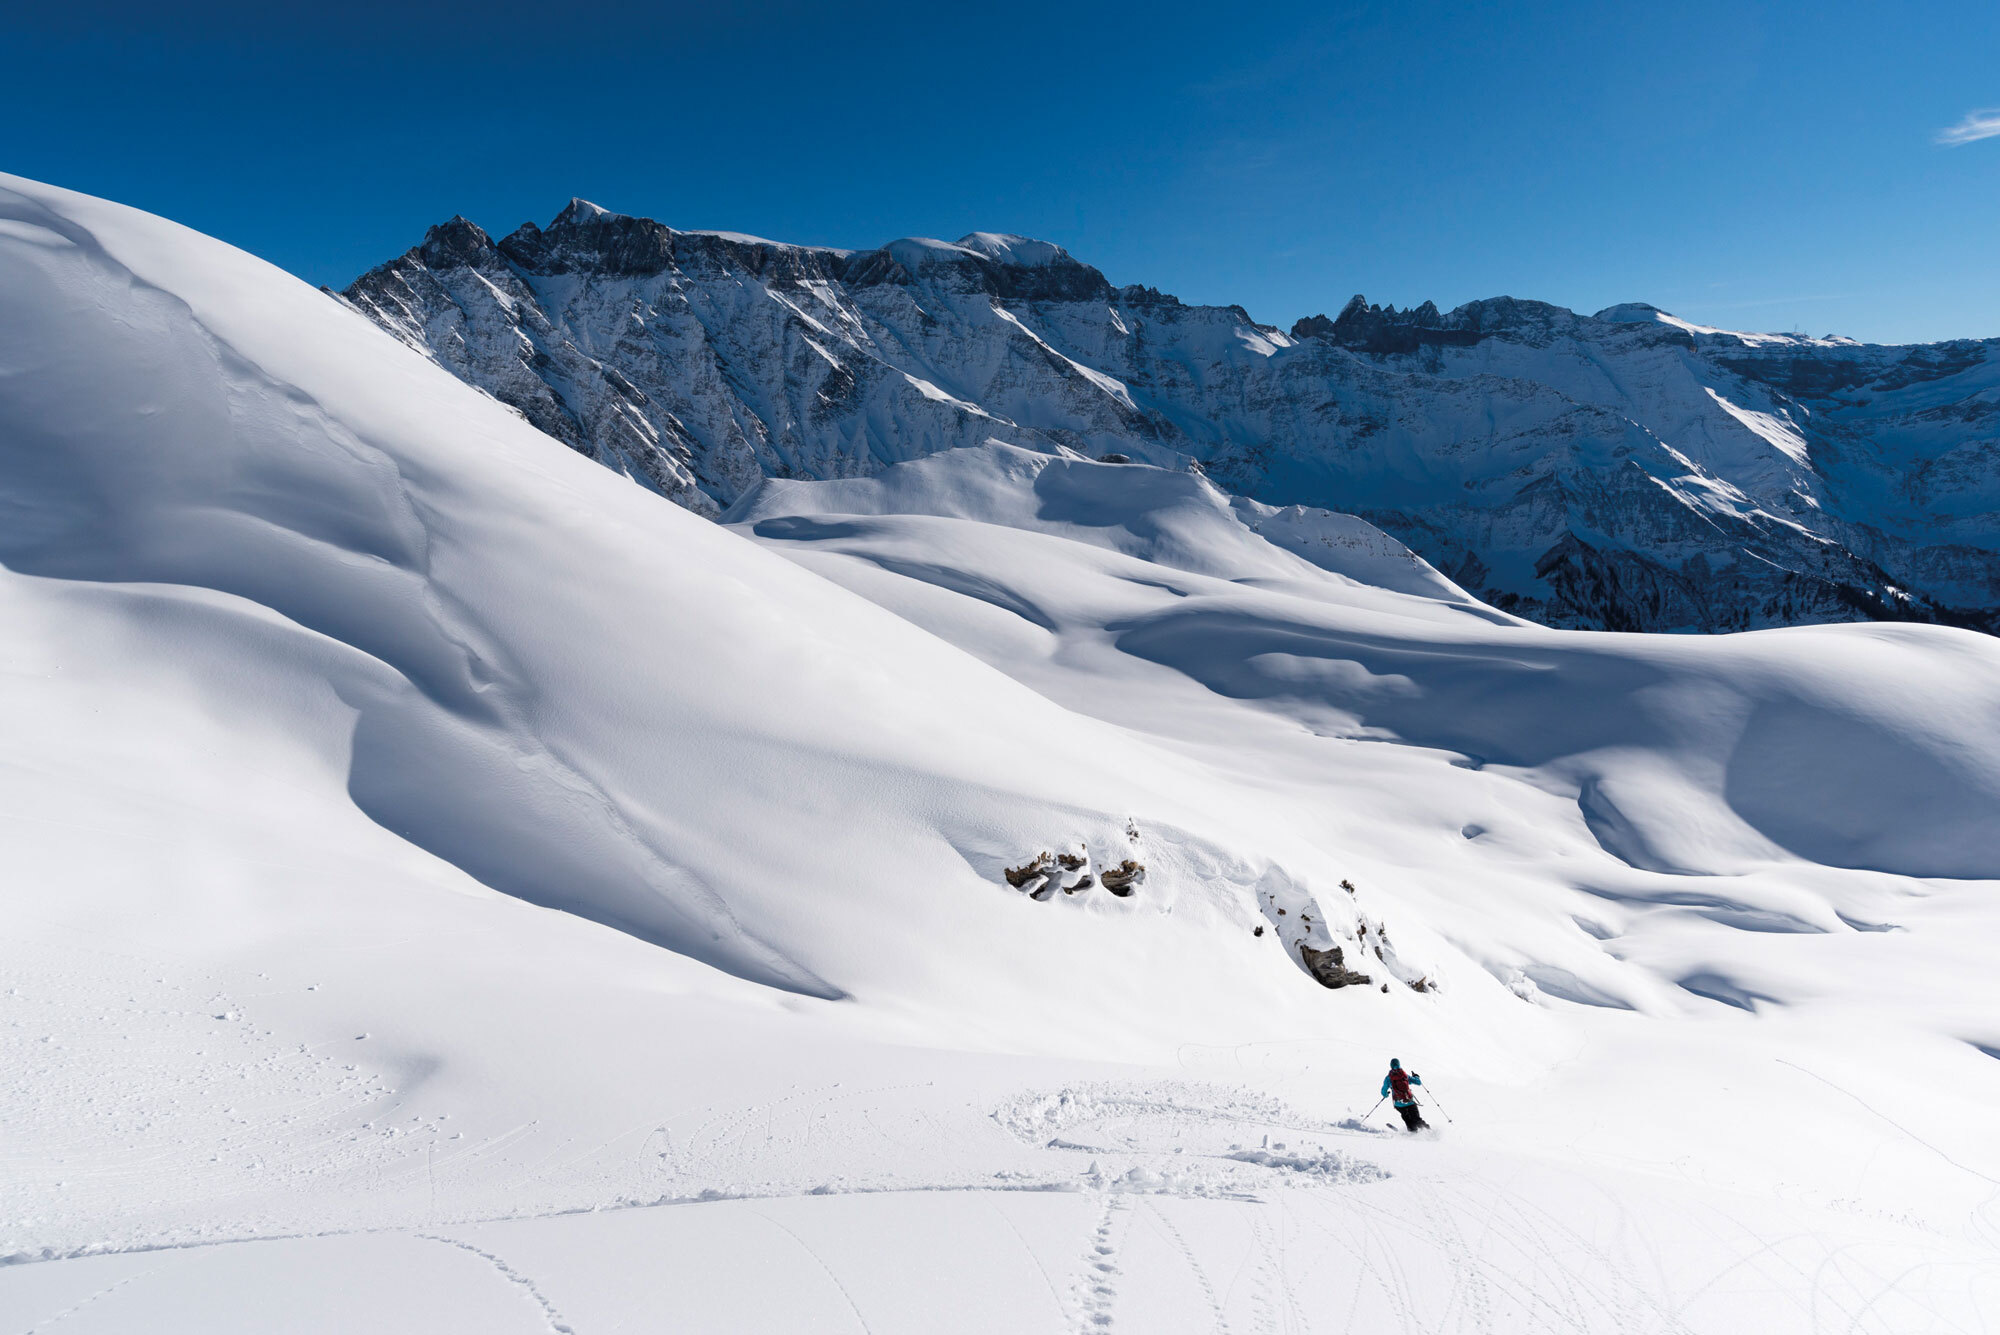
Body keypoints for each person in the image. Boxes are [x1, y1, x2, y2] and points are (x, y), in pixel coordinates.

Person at [1382, 1058, 1428, 1131]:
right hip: (1409, 1101)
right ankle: (1429, 1131)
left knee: (1408, 1120)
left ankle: (1413, 1133)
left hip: (1399, 1104)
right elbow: (1418, 1082)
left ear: (1391, 1066)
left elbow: (1383, 1092)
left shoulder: (1388, 1078)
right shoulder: (1404, 1075)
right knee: (1417, 1119)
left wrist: (1386, 1094)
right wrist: (1416, 1076)